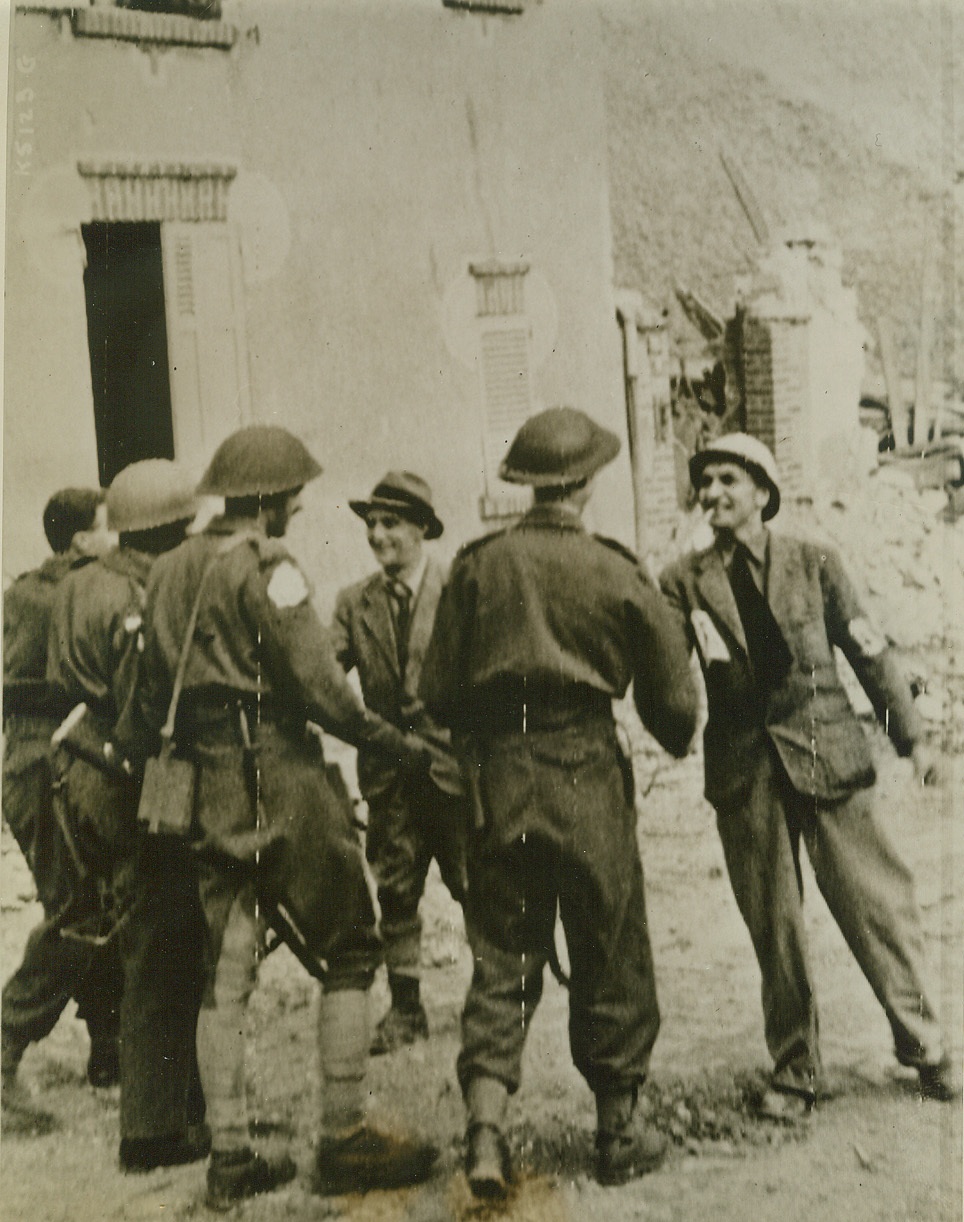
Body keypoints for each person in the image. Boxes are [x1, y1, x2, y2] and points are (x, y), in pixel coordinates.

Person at [137, 425, 438, 1211]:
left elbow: (146, 697)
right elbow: (323, 695)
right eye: (293, 502)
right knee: (349, 944)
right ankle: (344, 1138)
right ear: (268, 503)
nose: (296, 513)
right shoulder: (271, 570)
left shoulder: (167, 570)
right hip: (279, 776)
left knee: (225, 972)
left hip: (205, 786)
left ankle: (230, 1157)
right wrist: (402, 750)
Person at [420, 407, 699, 1199]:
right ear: (585, 484)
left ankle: (485, 1136)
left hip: (501, 781)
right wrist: (670, 732)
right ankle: (617, 1133)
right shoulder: (614, 568)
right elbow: (673, 699)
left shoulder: (478, 565)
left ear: (529, 483)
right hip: (585, 776)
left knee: (502, 954)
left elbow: (436, 691)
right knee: (610, 942)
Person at [658, 432, 959, 1119]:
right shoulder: (683, 581)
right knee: (775, 926)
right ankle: (796, 1069)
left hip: (828, 753)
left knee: (877, 905)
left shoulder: (813, 561)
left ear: (763, 492)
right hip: (743, 771)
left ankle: (926, 1044)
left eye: (729, 480)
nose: (714, 494)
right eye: (706, 483)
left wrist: (912, 738)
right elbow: (666, 667)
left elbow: (867, 648)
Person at [45, 459, 210, 1172]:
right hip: (127, 780)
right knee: (165, 947)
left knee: (148, 939)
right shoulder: (139, 597)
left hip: (80, 773)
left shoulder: (78, 582)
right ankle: (154, 1128)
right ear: (169, 529)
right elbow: (145, 710)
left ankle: (182, 1111)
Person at [332, 471, 468, 1055]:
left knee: (475, 885)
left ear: (421, 529)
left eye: (391, 523)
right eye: (371, 524)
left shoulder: (459, 589)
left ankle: (495, 1000)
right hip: (390, 776)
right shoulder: (352, 603)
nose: (378, 535)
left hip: (455, 771)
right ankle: (407, 1008)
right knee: (396, 890)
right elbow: (323, 674)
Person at [1, 487, 118, 1129]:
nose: (116, 541)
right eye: (108, 530)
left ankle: (109, 1046)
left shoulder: (39, 589)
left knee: (90, 898)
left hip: (44, 761)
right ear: (80, 541)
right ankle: (3, 1054)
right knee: (76, 910)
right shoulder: (57, 595)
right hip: (47, 766)